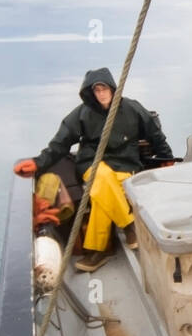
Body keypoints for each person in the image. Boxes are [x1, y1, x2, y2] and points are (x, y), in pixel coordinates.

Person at [14, 67, 173, 271]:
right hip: (91, 163)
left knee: (100, 195)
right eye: (96, 90)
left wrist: (166, 158)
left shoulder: (132, 108)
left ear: (113, 89)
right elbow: (60, 143)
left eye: (104, 89)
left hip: (125, 164)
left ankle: (102, 250)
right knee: (102, 177)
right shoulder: (82, 113)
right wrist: (38, 162)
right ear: (90, 93)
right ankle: (128, 225)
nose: (101, 94)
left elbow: (155, 135)